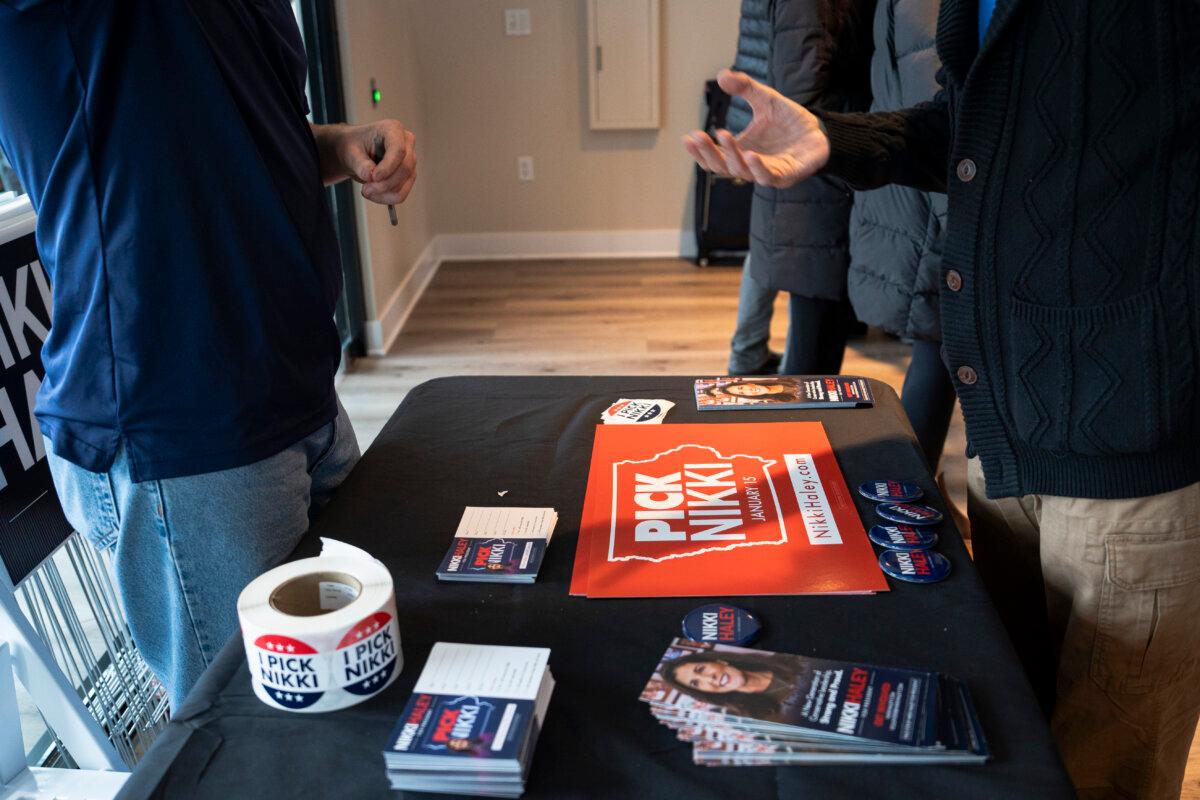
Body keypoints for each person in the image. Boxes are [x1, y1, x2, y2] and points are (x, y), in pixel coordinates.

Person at [683, 2, 1200, 797]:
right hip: (1008, 423)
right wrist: (836, 138)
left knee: (1105, 774)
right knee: (1011, 742)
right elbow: (979, 126)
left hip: (1137, 442)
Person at [0, 2, 416, 710]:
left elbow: (235, 140)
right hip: (183, 426)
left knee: (354, 710)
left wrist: (341, 143)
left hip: (300, 390)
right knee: (241, 745)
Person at [740, 0, 876, 378]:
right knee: (812, 363)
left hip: (823, 170)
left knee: (815, 343)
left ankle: (746, 358)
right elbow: (801, 95)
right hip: (818, 177)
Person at [847, 0, 955, 470]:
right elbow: (936, 114)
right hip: (930, 203)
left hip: (913, 197)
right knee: (936, 344)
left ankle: (917, 491)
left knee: (934, 346)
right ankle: (912, 496)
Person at [660, 649, 804, 721]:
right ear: (705, 692)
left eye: (701, 669)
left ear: (720, 661)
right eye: (696, 683)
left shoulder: (790, 658)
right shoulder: (756, 717)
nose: (709, 678)